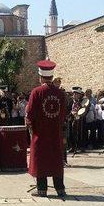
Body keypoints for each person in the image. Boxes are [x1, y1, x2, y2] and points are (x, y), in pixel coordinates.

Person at [26, 59, 67, 198]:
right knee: (56, 159)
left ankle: (42, 189)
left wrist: (30, 125)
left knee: (40, 160)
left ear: (40, 76)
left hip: (40, 133)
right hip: (55, 132)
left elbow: (30, 113)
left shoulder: (36, 92)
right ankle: (60, 188)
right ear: (52, 76)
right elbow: (62, 115)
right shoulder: (60, 93)